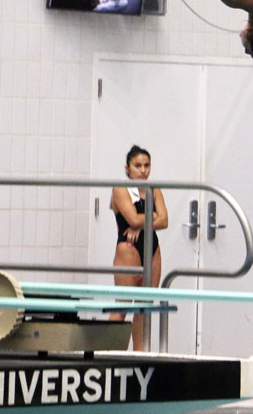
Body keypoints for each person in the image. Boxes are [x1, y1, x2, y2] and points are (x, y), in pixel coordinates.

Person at [109, 145, 169, 351]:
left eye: (146, 165)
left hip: (152, 249)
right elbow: (132, 218)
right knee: (123, 305)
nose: (143, 170)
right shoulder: (120, 189)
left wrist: (140, 223)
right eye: (137, 166)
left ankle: (140, 355)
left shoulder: (154, 189)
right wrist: (150, 217)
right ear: (128, 169)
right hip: (128, 249)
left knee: (144, 307)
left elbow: (165, 221)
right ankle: (110, 354)